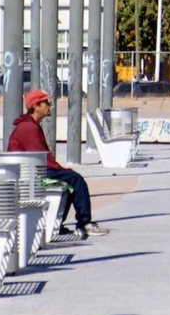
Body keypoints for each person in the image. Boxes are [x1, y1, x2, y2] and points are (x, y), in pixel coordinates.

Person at [7, 89, 107, 238]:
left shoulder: (31, 125)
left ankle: (57, 224)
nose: (49, 105)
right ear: (36, 106)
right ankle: (85, 223)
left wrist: (61, 170)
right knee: (75, 179)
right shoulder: (28, 127)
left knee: (69, 181)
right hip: (30, 175)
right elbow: (42, 158)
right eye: (46, 102)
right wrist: (62, 170)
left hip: (32, 171)